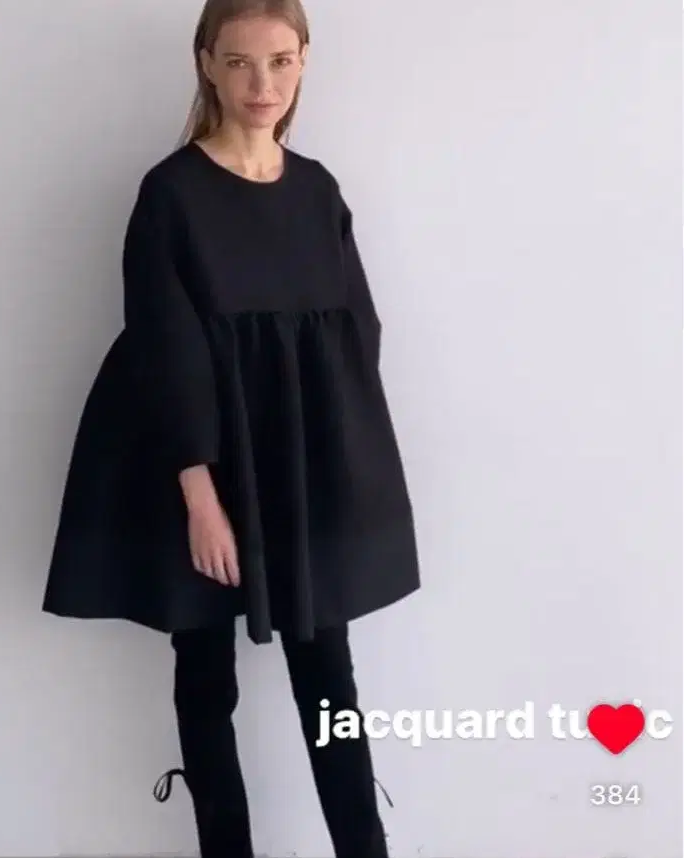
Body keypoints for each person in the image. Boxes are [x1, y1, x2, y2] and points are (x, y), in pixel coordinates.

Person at [42, 0, 421, 854]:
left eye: (280, 61)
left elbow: (356, 338)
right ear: (207, 63)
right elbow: (164, 345)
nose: (262, 83)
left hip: (299, 467)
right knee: (205, 674)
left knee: (328, 679)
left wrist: (340, 475)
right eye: (241, 61)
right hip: (201, 467)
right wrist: (201, 496)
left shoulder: (318, 190)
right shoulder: (172, 193)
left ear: (304, 62)